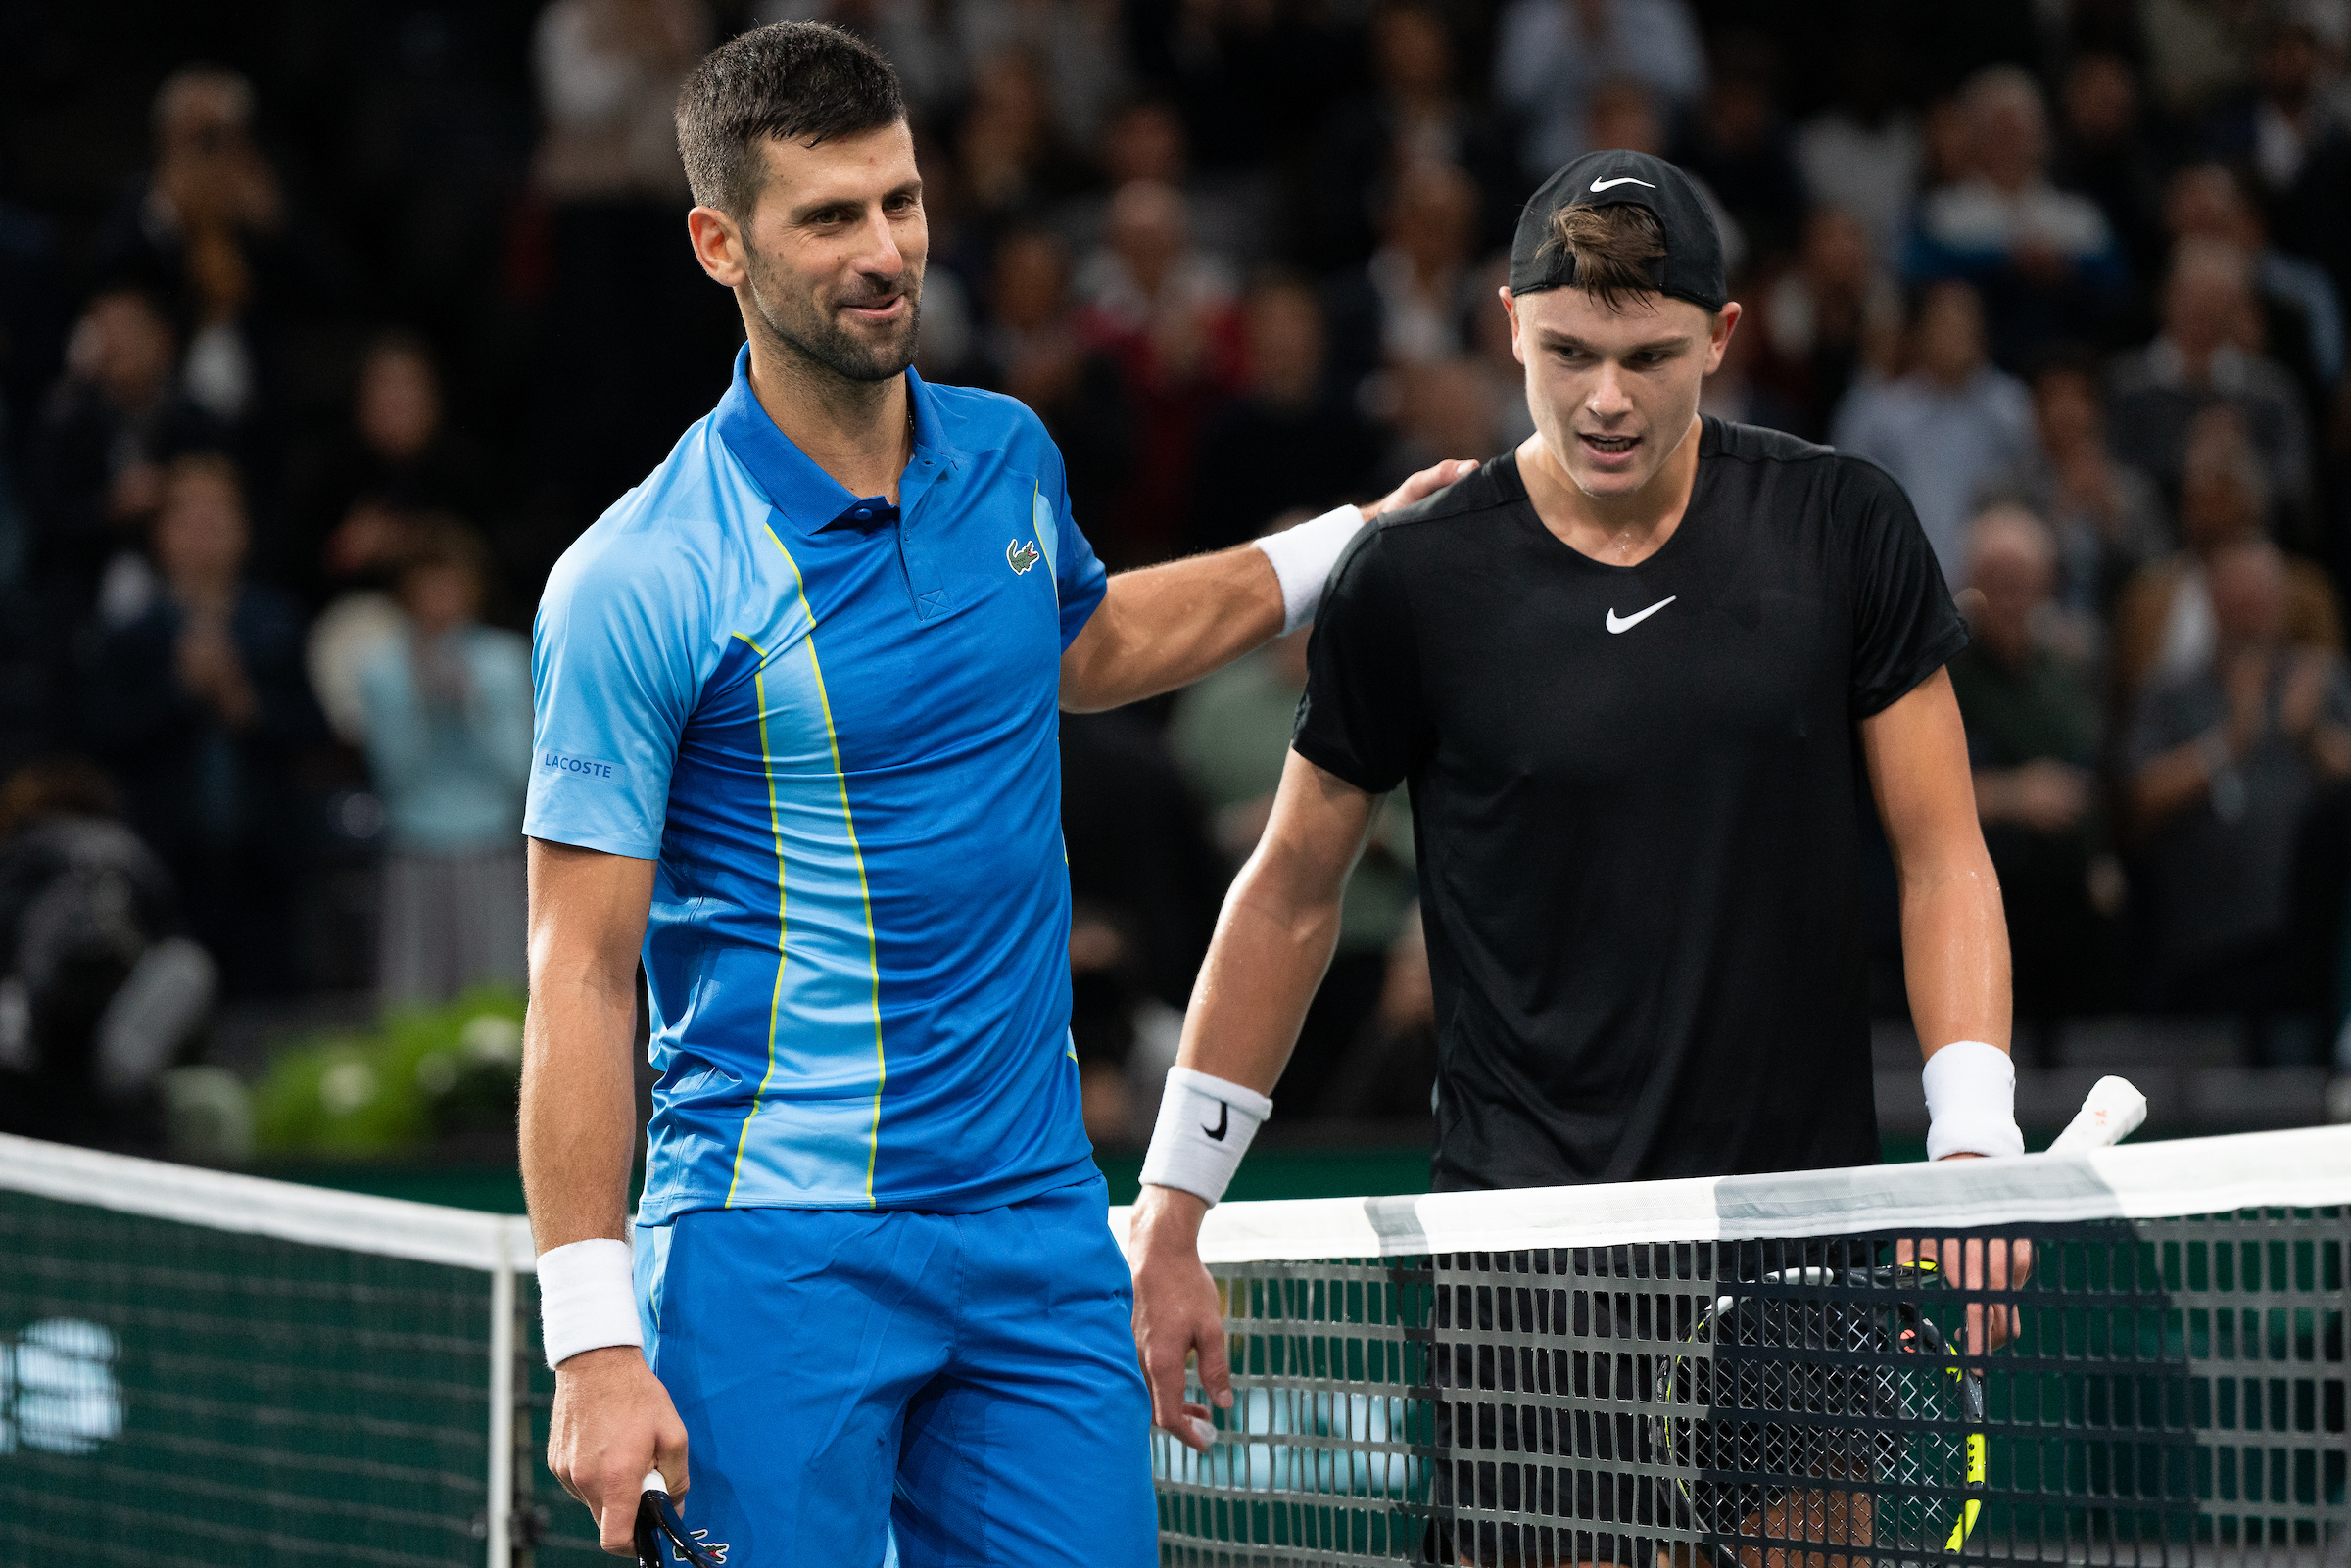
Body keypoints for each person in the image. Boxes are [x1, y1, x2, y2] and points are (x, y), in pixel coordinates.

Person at [516, 23, 1470, 1567]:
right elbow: (577, 968)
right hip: (776, 1248)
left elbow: (1089, 642)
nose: (885, 249)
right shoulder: (639, 579)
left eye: (899, 201)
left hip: (1035, 1225)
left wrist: (1343, 543)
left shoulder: (1010, 458)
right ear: (719, 244)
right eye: (829, 217)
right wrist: (592, 1337)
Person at [1125, 151, 2021, 1568]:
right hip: (1532, 1249)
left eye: (1651, 356)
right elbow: (1293, 889)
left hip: (1796, 1229)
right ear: (1509, 323)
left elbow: (1942, 853)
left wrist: (1974, 1137)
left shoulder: (1842, 525)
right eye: (1570, 353)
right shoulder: (1414, 577)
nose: (1608, 398)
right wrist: (1173, 1210)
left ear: (1721, 339)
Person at [2127, 538, 2351, 1061]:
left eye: (2262, 598)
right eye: (2238, 600)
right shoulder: (2172, 690)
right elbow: (2138, 801)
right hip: (2211, 943)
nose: (2253, 614)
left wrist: (2314, 739)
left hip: (2312, 939)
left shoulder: (2320, 679)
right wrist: (2231, 740)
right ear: (2212, 602)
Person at [354, 519, 532, 1005]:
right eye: (426, 585)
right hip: (415, 848)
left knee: (498, 994)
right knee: (412, 995)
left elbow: (518, 770)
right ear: (407, 593)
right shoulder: (380, 670)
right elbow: (394, 777)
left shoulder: (505, 660)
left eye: (451, 583)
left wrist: (472, 708)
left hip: (490, 846)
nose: (439, 598)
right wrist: (424, 703)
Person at [1830, 278, 2037, 584]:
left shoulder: (2012, 409)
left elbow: (2033, 492)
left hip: (1994, 585)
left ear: (1982, 335)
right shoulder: (1883, 412)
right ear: (1920, 334)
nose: (1954, 336)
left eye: (1964, 324)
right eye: (1944, 324)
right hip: (1903, 579)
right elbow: (1842, 492)